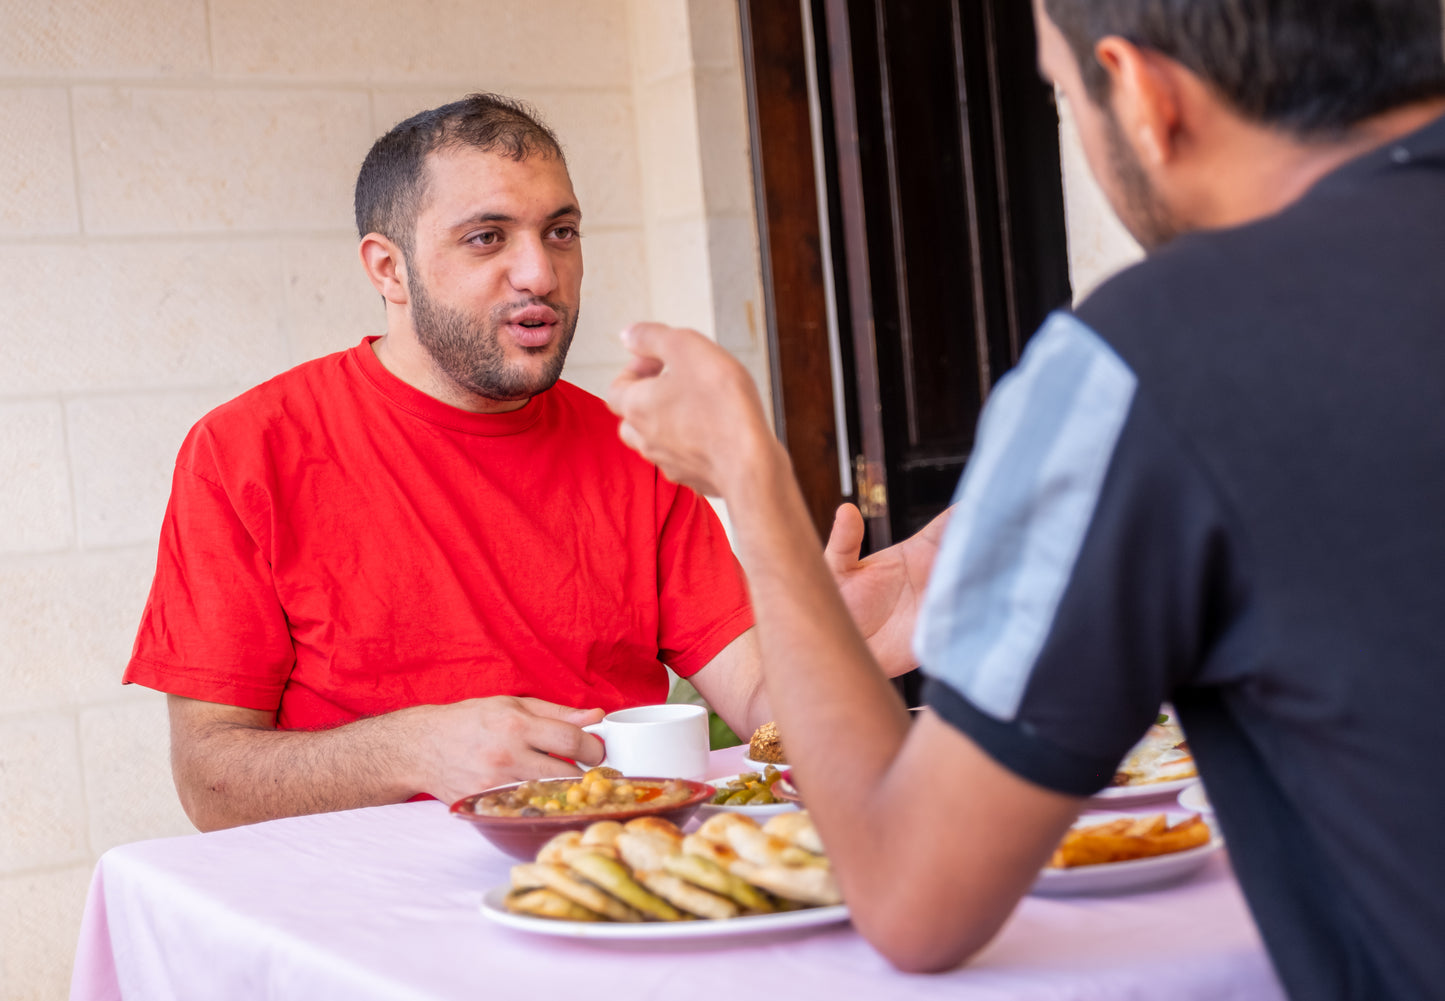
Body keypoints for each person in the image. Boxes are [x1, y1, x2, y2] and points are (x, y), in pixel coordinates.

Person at [606, 1, 1445, 998]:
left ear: (1138, 92)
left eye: (1056, 96)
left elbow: (914, 896)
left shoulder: (1153, 347)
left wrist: (752, 486)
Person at [123, 94, 786, 832]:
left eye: (559, 232)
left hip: (607, 878)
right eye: (486, 238)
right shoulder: (246, 449)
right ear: (389, 269)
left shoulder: (634, 448)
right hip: (358, 909)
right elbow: (210, 785)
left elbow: (763, 709)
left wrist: (842, 641)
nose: (539, 272)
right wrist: (412, 749)